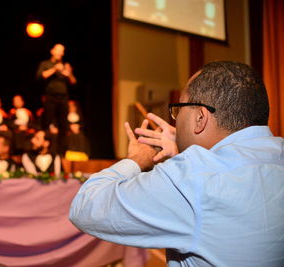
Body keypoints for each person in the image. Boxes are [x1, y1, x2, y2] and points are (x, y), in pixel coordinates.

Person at [69, 61, 284, 266]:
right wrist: (185, 151)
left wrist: (137, 160)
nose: (175, 120)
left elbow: (86, 207)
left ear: (200, 118)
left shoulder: (192, 176)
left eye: (179, 109)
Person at [36, 43, 77, 153]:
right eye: (59, 50)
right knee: (46, 123)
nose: (61, 53)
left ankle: (61, 152)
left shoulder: (65, 65)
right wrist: (55, 69)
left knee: (63, 125)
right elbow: (40, 76)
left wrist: (69, 73)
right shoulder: (46, 64)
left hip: (63, 98)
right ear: (52, 51)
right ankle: (44, 149)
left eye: (62, 51)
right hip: (50, 97)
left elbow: (73, 82)